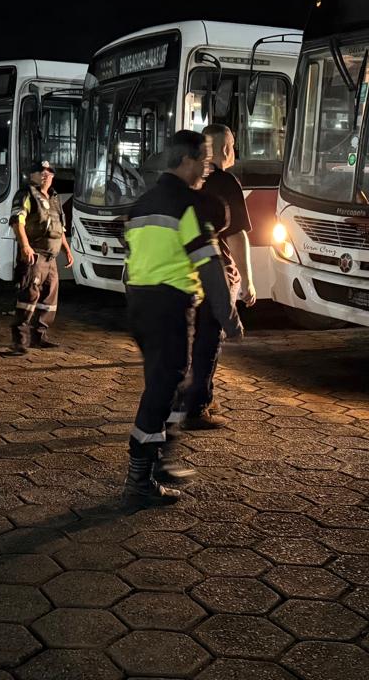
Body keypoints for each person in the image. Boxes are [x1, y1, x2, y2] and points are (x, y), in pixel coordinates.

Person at [122, 130, 243, 504]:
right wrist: (229, 318)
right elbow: (210, 267)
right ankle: (140, 480)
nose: (207, 169)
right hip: (170, 306)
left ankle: (160, 459)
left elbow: (131, 262)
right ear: (187, 161)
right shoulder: (188, 207)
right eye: (204, 161)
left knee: (168, 383)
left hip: (140, 305)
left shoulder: (141, 205)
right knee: (164, 386)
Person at [171, 124, 256, 431]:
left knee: (189, 341)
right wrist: (248, 281)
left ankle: (190, 396)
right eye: (233, 147)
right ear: (225, 149)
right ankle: (197, 407)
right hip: (216, 272)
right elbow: (236, 236)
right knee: (209, 340)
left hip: (183, 274)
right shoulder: (225, 182)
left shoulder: (186, 180)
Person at [6, 160, 74, 355]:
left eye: (49, 172)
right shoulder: (26, 194)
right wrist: (25, 246)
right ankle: (19, 341)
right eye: (40, 171)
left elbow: (60, 228)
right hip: (34, 256)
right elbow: (17, 221)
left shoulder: (54, 198)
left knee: (49, 300)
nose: (45, 174)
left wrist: (67, 250)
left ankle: (39, 337)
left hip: (51, 259)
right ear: (32, 175)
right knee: (28, 297)